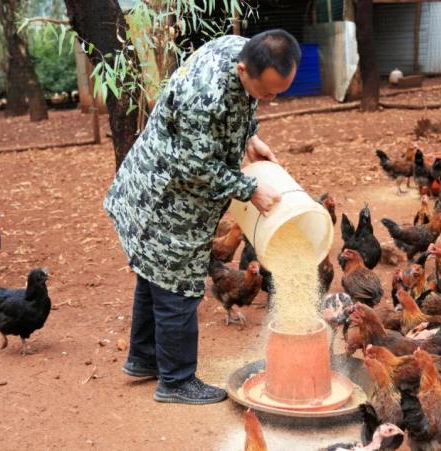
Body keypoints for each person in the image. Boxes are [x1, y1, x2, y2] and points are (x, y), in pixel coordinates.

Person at [103, 29, 301, 405]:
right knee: (178, 284)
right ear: (245, 69)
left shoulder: (236, 49)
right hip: (163, 194)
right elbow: (195, 163)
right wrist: (249, 189)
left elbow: (239, 108)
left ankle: (145, 358)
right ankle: (176, 381)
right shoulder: (204, 95)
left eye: (279, 91)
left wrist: (250, 137)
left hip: (171, 187)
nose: (272, 99)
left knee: (154, 274)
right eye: (269, 91)